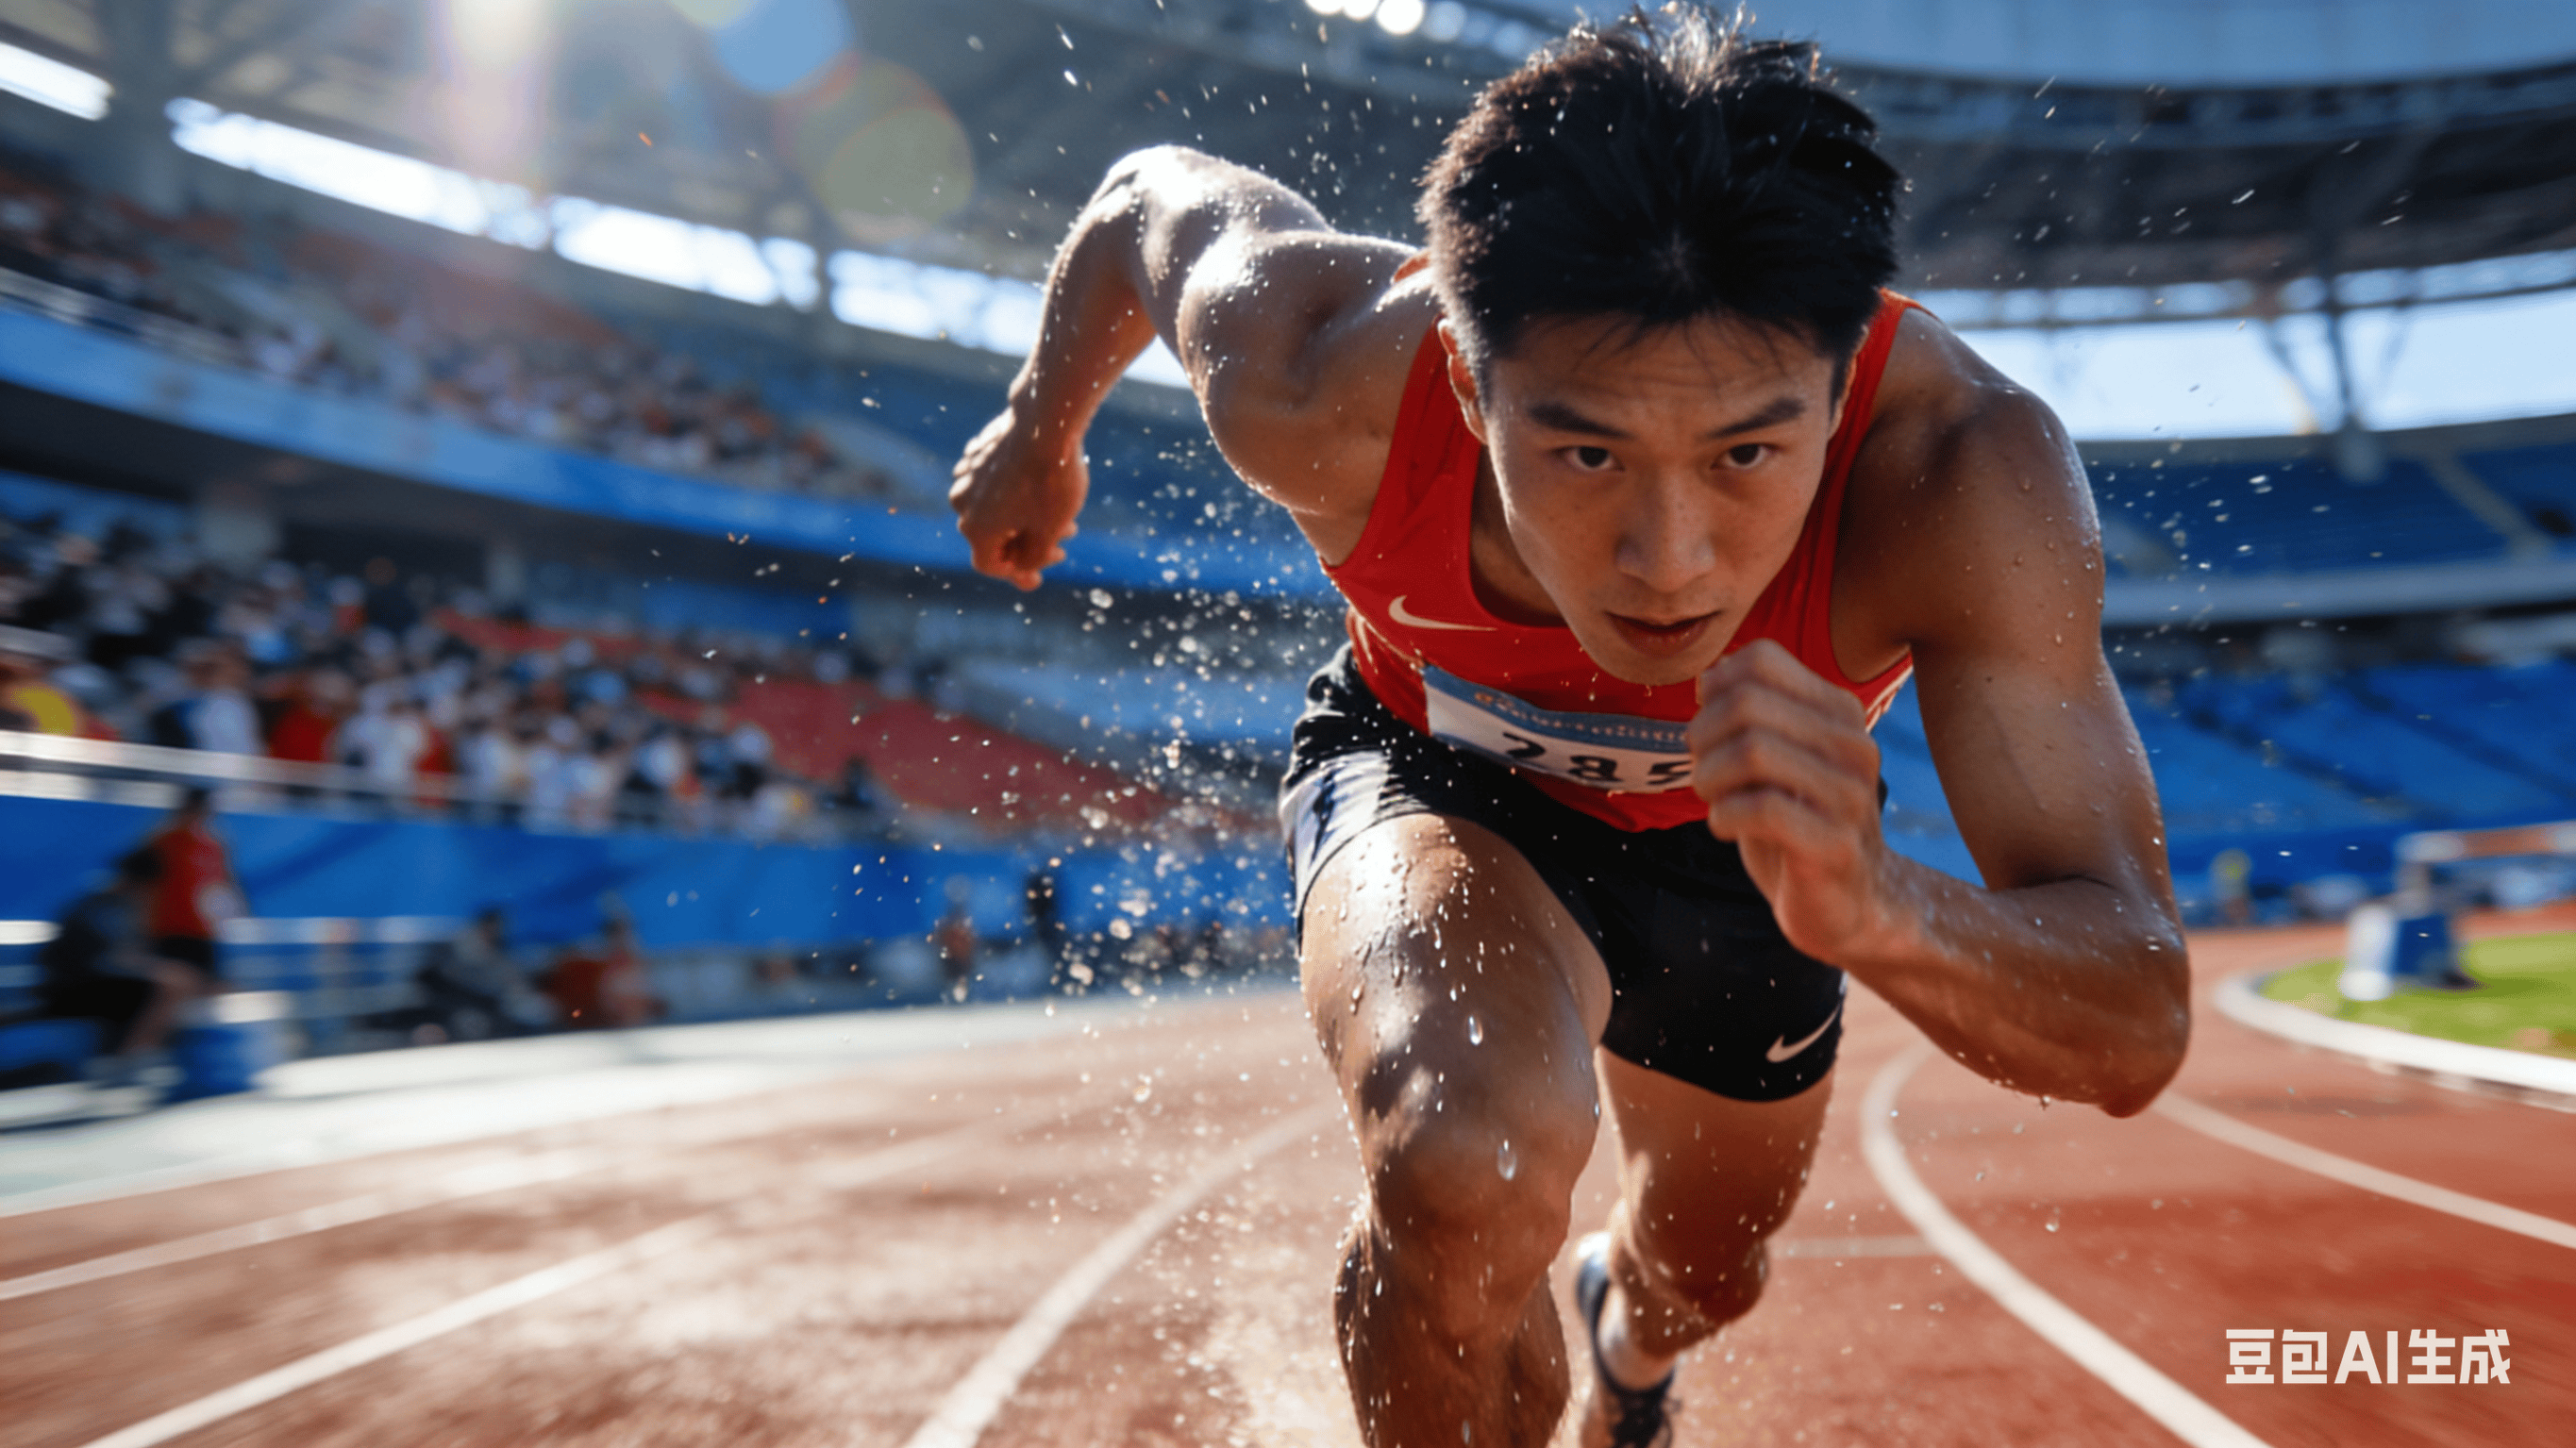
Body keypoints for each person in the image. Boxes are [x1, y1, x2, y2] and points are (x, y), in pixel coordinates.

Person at [949, 11, 2191, 1448]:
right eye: (1586, 450)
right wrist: (1040, 432)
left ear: (1844, 389)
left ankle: (1629, 1333)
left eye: (1745, 454)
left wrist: (1883, 905)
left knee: (1702, 1272)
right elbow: (1133, 207)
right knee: (1459, 1164)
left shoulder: (1961, 475)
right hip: (1434, 778)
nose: (1667, 558)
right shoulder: (1317, 373)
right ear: (1471, 389)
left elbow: (2134, 1023)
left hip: (1746, 856)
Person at [38, 846, 215, 1065]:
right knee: (171, 985)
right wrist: (158, 970)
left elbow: (130, 957)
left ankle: (153, 1054)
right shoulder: (96, 908)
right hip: (73, 990)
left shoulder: (127, 908)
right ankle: (129, 1059)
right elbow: (104, 960)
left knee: (189, 981)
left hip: (102, 984)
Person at [143, 786, 244, 986]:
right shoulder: (162, 842)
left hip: (203, 934)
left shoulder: (215, 846)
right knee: (171, 993)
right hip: (167, 933)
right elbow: (143, 891)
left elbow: (226, 884)